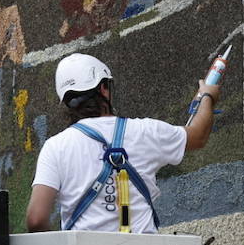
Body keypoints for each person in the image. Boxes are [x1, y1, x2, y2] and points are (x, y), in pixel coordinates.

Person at [25, 53, 219, 234]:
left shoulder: (55, 147)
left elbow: (36, 219)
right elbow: (198, 135)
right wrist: (207, 97)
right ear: (103, 88)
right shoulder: (144, 131)